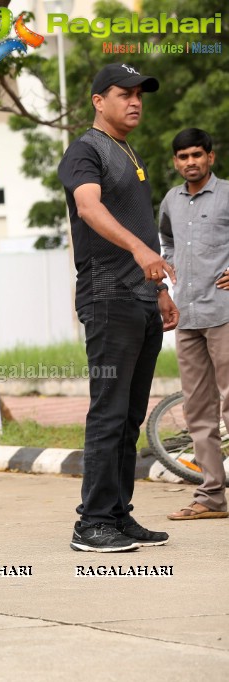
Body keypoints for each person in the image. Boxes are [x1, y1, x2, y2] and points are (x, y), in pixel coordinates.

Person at [58, 63, 179, 552]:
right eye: (123, 93)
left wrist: (160, 291)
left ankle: (117, 513)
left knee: (129, 416)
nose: (134, 101)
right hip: (107, 297)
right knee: (108, 412)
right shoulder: (85, 151)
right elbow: (89, 207)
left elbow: (142, 226)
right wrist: (140, 250)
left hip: (140, 300)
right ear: (97, 100)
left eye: (139, 95)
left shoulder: (130, 152)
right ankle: (90, 523)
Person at [158, 128, 229, 521]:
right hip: (187, 317)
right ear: (176, 161)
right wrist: (171, 273)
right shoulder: (171, 199)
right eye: (183, 156)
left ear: (210, 158)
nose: (190, 162)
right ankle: (212, 498)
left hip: (224, 312)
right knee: (199, 410)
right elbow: (165, 239)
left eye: (196, 155)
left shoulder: (226, 194)